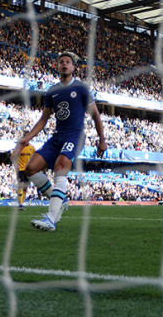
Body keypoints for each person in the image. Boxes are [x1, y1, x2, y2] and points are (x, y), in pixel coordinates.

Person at [15, 51, 107, 231]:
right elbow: (44, 119)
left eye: (68, 62)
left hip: (75, 135)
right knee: (30, 168)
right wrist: (27, 138)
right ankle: (60, 200)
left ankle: (51, 218)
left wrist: (102, 140)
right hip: (58, 136)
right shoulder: (52, 91)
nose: (64, 64)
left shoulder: (81, 88)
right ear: (57, 67)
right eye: (61, 62)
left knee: (60, 167)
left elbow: (95, 114)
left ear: (73, 67)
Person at [15, 142, 36, 210]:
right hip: (20, 169)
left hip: (28, 170)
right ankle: (20, 203)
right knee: (21, 185)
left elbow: (35, 156)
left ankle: (21, 203)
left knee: (25, 187)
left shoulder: (31, 148)